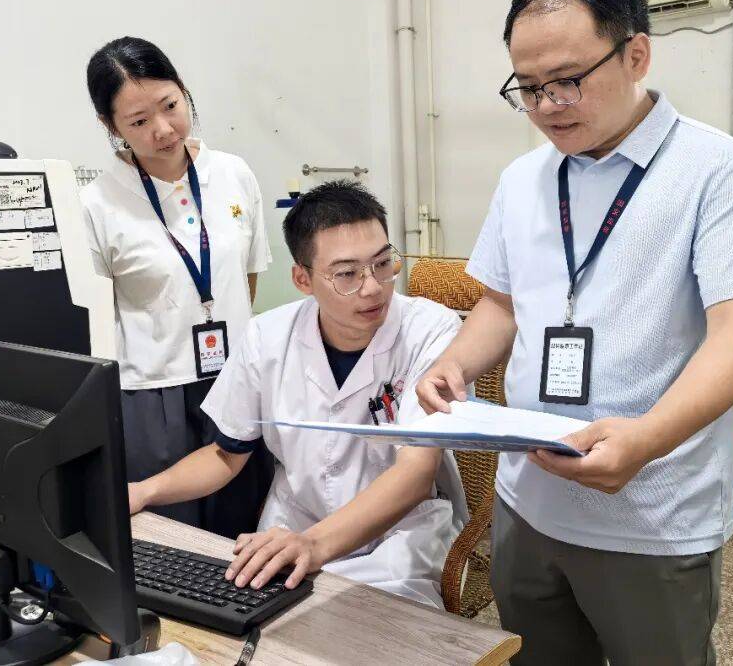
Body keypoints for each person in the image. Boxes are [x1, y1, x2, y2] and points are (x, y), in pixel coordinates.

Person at [415, 0, 733, 665]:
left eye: (567, 80)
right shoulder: (522, 179)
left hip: (653, 509)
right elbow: (501, 305)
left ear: (636, 55)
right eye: (528, 87)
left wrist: (646, 439)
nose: (547, 105)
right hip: (529, 499)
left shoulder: (718, 170)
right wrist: (454, 363)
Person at [126, 180, 468, 607]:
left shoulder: (431, 331)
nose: (372, 287)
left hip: (397, 538)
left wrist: (315, 545)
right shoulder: (267, 336)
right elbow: (227, 455)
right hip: (293, 526)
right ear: (302, 279)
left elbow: (415, 475)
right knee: (251, 620)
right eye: (347, 274)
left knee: (378, 624)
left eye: (383, 263)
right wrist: (144, 491)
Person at [80, 36, 273, 539]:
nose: (163, 130)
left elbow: (247, 278)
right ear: (110, 126)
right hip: (151, 392)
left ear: (184, 90)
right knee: (170, 536)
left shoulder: (233, 174)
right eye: (139, 121)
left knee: (242, 525)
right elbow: (96, 320)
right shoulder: (96, 203)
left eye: (170, 106)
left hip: (235, 379)